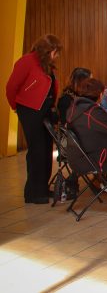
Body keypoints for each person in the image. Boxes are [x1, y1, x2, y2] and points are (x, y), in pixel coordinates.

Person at [5, 34, 62, 204]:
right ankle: (33, 193)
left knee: (46, 149)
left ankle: (42, 188)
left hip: (44, 110)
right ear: (48, 50)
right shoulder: (26, 61)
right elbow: (11, 87)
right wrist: (16, 107)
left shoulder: (46, 65)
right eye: (56, 51)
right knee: (37, 151)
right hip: (30, 110)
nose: (57, 55)